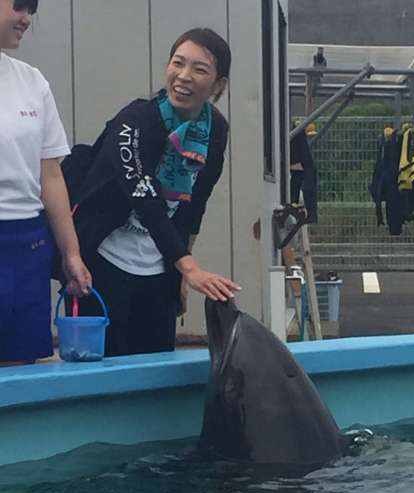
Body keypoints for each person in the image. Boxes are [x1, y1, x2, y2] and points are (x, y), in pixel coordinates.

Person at [68, 27, 241, 357]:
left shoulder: (214, 131)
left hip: (160, 268)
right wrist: (189, 268)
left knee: (156, 369)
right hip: (101, 264)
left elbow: (195, 205)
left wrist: (180, 276)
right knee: (102, 372)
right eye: (178, 63)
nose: (184, 76)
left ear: (218, 86)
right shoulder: (135, 120)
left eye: (199, 69)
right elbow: (145, 199)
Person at [0, 0, 91, 366]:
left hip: (28, 242)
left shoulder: (32, 81)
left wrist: (71, 253)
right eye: (19, 6)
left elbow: (50, 175)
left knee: (19, 366)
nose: (27, 19)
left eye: (32, 10)